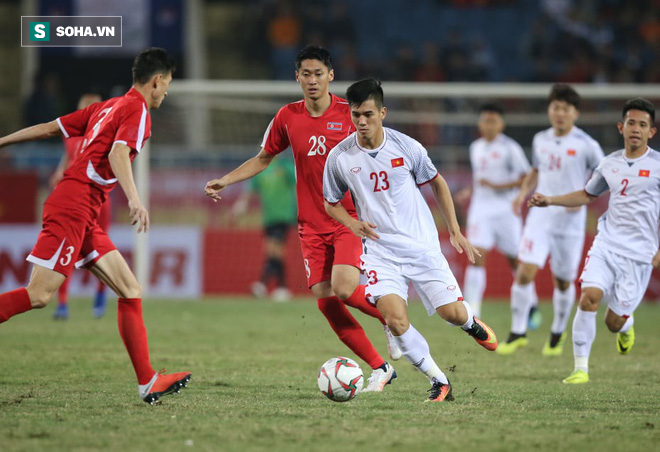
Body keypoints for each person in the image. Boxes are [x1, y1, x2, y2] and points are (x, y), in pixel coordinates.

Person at [205, 46, 401, 392]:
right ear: (297, 77)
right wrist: (227, 179)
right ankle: (380, 367)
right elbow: (263, 158)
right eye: (306, 74)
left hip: (347, 217)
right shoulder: (286, 117)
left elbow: (378, 152)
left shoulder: (350, 114)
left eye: (318, 73)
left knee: (343, 288)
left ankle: (390, 317)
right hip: (310, 224)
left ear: (331, 76)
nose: (312, 80)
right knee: (327, 303)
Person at [0, 48, 191, 404]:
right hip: (73, 205)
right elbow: (119, 154)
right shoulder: (138, 110)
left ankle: (148, 381)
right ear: (157, 80)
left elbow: (46, 129)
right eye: (168, 84)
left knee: (130, 289)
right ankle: (147, 380)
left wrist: (2, 140)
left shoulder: (106, 107)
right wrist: (134, 198)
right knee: (40, 295)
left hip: (84, 210)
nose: (167, 92)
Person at [323, 79, 498, 402]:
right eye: (355, 115)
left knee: (452, 315)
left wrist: (455, 230)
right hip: (379, 252)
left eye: (368, 114)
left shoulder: (407, 147)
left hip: (421, 247)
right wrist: (352, 223)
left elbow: (438, 183)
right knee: (395, 318)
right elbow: (330, 202)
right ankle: (439, 380)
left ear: (383, 113)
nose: (361, 121)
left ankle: (470, 322)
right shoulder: (340, 157)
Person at [528, 98, 659, 383]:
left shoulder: (658, 166)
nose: (636, 129)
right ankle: (581, 369)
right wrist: (550, 199)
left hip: (639, 255)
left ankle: (626, 325)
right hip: (606, 244)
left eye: (643, 125)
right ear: (621, 127)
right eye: (631, 123)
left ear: (652, 132)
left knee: (613, 322)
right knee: (588, 298)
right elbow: (587, 195)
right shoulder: (609, 163)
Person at [497, 84, 604, 356]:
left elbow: (603, 177)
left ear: (575, 113)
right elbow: (535, 171)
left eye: (565, 109)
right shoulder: (540, 139)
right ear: (549, 110)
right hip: (540, 215)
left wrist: (583, 198)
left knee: (563, 282)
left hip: (570, 220)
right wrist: (522, 193)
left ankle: (557, 332)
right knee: (524, 272)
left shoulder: (587, 145)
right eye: (555, 107)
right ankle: (518, 332)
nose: (560, 113)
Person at [457, 103, 532, 318]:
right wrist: (469, 190)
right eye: (485, 121)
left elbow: (526, 178)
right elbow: (481, 179)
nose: (488, 125)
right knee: (476, 256)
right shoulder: (476, 147)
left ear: (501, 124)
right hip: (481, 209)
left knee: (516, 261)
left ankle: (531, 305)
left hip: (507, 210)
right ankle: (473, 313)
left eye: (493, 121)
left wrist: (496, 186)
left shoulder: (511, 148)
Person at [49, 93, 109, 320]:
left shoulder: (106, 134)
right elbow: (67, 158)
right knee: (68, 249)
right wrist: (58, 172)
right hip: (75, 199)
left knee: (100, 249)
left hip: (99, 200)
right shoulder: (72, 135)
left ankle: (100, 296)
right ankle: (63, 303)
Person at [233, 156, 297, 302]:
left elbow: (297, 186)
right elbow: (250, 190)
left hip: (284, 215)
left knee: (275, 250)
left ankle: (263, 285)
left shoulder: (285, 166)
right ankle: (282, 288)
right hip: (268, 217)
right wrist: (241, 204)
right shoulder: (260, 169)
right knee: (274, 253)